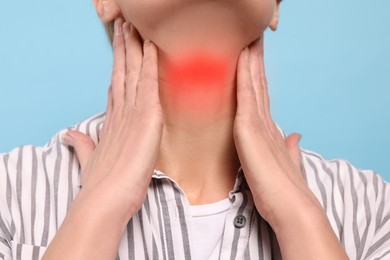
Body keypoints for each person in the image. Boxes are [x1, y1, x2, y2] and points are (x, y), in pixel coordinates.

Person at [0, 0, 389, 259]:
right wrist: (98, 210)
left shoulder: (372, 208)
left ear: (276, 5)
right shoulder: (8, 195)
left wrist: (301, 220)